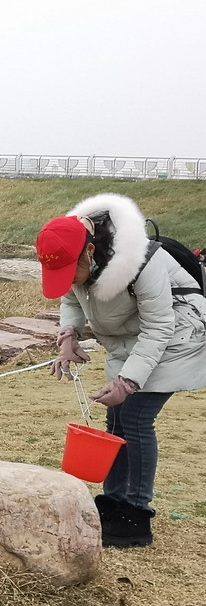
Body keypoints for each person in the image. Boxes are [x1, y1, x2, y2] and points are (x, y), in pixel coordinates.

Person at [37, 193, 206, 548]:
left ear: (90, 251)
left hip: (178, 335)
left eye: (72, 271)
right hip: (131, 339)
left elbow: (160, 327)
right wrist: (68, 335)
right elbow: (70, 297)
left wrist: (128, 381)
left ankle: (136, 513)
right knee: (116, 418)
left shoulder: (142, 261)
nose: (71, 280)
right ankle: (113, 501)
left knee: (136, 417)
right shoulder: (78, 259)